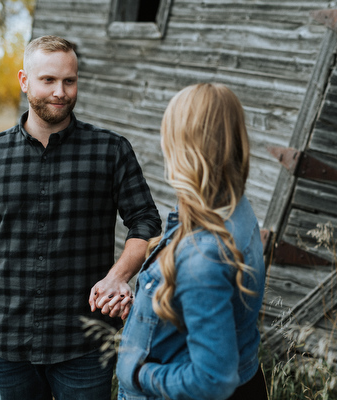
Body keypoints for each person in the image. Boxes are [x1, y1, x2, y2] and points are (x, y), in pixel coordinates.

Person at [0, 35, 161, 400]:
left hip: (84, 344)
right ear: (24, 80)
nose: (60, 92)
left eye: (69, 81)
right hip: (9, 343)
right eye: (48, 80)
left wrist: (117, 276)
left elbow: (146, 222)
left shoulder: (110, 151)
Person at [116, 83, 268, 400]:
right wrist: (149, 303)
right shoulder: (233, 209)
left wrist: (139, 374)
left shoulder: (204, 255)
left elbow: (213, 378)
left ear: (185, 147)